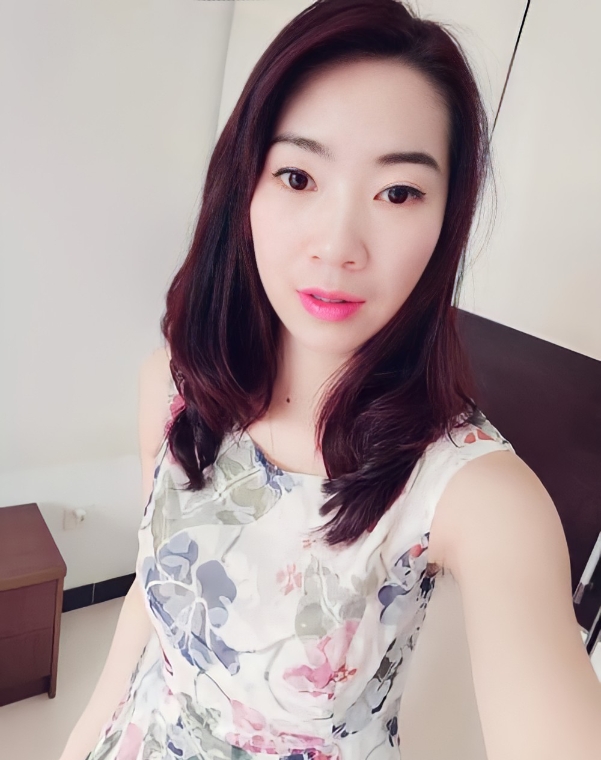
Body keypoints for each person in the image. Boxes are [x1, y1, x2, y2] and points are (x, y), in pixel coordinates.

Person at [59, 1, 601, 759]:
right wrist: (82, 741)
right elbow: (149, 602)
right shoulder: (177, 391)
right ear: (245, 188)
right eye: (298, 176)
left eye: (398, 192)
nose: (339, 245)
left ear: (446, 221)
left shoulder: (475, 494)